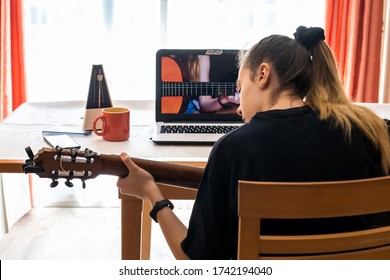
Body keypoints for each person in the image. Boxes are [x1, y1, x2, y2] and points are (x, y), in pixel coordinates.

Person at [117, 26, 390, 260]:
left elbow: (195, 263)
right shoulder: (371, 130)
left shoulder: (234, 149)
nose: (238, 107)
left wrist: (150, 191)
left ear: (262, 75)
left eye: (239, 87)